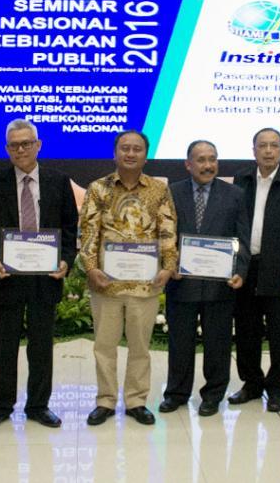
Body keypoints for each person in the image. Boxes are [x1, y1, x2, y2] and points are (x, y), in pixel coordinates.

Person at [0, 119, 78, 431]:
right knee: (4, 346)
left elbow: (70, 229)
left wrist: (65, 261)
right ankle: (0, 406)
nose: (20, 149)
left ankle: (38, 405)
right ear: (7, 149)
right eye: (14, 145)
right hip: (6, 277)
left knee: (41, 346)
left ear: (38, 145)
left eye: (26, 143)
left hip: (44, 280)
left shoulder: (58, 181)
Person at [80, 130, 177, 426]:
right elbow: (88, 231)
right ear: (115, 153)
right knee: (104, 347)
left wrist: (168, 265)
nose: (131, 154)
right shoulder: (98, 188)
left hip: (145, 284)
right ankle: (106, 401)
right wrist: (91, 267)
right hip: (105, 283)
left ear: (145, 155)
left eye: (137, 149)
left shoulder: (159, 189)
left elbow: (167, 230)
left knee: (140, 348)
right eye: (125, 148)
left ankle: (136, 401)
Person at [159, 140, 250, 417]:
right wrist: (168, 264)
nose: (208, 165)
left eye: (212, 159)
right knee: (180, 342)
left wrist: (240, 271)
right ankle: (176, 393)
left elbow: (242, 238)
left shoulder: (234, 194)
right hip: (181, 283)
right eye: (201, 160)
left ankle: (212, 395)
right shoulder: (171, 193)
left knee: (217, 344)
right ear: (188, 164)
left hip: (219, 285)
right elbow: (163, 235)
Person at [230, 128, 280, 412]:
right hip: (246, 268)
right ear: (253, 150)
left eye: (274, 145)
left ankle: (277, 389)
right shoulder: (240, 180)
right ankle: (251, 383)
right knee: (246, 330)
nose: (268, 150)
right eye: (262, 145)